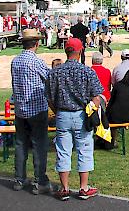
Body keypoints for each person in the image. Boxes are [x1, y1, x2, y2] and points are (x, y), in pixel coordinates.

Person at [46, 38, 103, 201]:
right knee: (84, 149)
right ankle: (83, 188)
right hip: (81, 114)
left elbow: (49, 97)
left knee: (63, 151)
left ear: (66, 51)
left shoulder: (55, 72)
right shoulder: (87, 71)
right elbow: (97, 96)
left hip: (63, 114)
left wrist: (57, 111)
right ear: (81, 51)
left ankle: (64, 188)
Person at [10, 29, 52, 194]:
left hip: (20, 109)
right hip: (36, 109)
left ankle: (19, 179)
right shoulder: (36, 62)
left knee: (20, 144)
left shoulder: (15, 61)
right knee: (39, 145)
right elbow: (50, 78)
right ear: (36, 43)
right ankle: (40, 180)